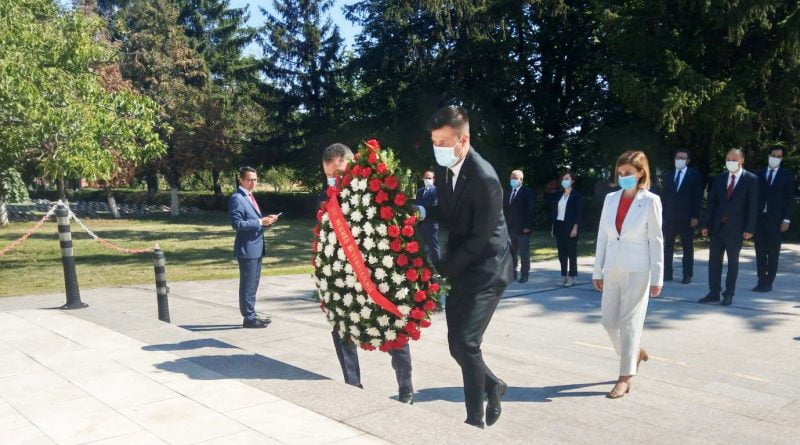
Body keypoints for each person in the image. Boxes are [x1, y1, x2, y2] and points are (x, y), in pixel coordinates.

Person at [417, 106, 513, 428]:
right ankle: (493, 385)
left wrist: (442, 270)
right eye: (435, 142)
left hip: (488, 268)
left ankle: (474, 420)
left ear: (464, 140)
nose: (439, 148)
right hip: (463, 262)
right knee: (456, 345)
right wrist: (421, 213)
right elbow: (450, 214)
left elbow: (479, 240)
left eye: (445, 142)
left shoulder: (485, 178)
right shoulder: (446, 169)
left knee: (467, 344)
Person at [319, 143, 415, 404]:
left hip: (378, 275)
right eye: (329, 175)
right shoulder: (328, 199)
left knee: (394, 329)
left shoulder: (375, 190)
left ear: (352, 165)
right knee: (341, 326)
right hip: (344, 276)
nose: (333, 180)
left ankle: (406, 390)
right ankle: (352, 384)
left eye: (338, 174)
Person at [592, 151, 663, 399]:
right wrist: (597, 269)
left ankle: (625, 377)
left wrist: (657, 277)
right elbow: (603, 235)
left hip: (638, 269)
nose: (623, 177)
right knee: (609, 322)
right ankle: (634, 354)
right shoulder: (611, 199)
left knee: (630, 323)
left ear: (641, 173)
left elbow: (656, 240)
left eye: (629, 173)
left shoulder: (650, 201)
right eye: (620, 173)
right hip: (612, 267)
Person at [700, 149, 759, 306]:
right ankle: (714, 292)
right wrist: (705, 224)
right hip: (717, 227)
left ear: (742, 161)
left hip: (736, 228)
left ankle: (729, 293)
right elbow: (711, 202)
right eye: (728, 159)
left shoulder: (751, 179)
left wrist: (750, 228)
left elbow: (753, 206)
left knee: (733, 262)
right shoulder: (720, 178)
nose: (730, 162)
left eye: (734, 159)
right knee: (714, 261)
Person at [229, 167, 280, 329]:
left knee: (253, 284)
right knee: (248, 284)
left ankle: (252, 314)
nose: (253, 183)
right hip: (247, 249)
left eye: (255, 179)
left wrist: (266, 221)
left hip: (256, 247)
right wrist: (259, 222)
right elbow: (237, 224)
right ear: (241, 180)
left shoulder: (249, 196)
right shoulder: (237, 198)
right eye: (250, 179)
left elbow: (253, 220)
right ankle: (249, 318)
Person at [753, 147, 795, 292]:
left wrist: (787, 219)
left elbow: (789, 199)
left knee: (773, 253)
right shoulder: (758, 174)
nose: (775, 158)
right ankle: (761, 280)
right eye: (773, 155)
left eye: (778, 156)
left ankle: (769, 281)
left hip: (776, 220)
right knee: (760, 252)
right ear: (768, 156)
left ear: (782, 159)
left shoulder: (787, 175)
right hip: (759, 219)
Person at [660, 149, 703, 284]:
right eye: (678, 158)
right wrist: (662, 215)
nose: (679, 160)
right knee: (668, 246)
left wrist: (695, 216)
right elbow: (664, 197)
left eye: (683, 158)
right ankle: (667, 273)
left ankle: (687, 274)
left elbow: (697, 197)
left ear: (687, 161)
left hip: (687, 218)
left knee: (687, 247)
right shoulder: (668, 176)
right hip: (670, 217)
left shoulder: (694, 176)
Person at [503, 170, 535, 283]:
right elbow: (504, 209)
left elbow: (530, 210)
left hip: (523, 229)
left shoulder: (527, 192)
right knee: (511, 253)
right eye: (512, 177)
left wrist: (527, 226)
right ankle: (513, 273)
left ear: (521, 180)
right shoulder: (507, 192)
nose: (513, 180)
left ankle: (525, 274)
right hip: (510, 228)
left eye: (515, 178)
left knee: (524, 253)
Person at [552, 171, 582, 286]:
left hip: (570, 226)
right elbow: (555, 211)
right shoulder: (559, 194)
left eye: (567, 178)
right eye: (563, 179)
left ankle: (572, 276)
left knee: (571, 253)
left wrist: (575, 228)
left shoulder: (576, 195)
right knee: (562, 253)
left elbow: (578, 213)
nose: (565, 181)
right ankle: (563, 276)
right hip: (559, 225)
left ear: (572, 181)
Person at [415, 170, 440, 264]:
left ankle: (438, 268)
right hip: (421, 224)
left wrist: (422, 211)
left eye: (429, 178)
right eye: (425, 178)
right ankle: (424, 267)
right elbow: (417, 206)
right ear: (423, 179)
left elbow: (435, 207)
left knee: (434, 248)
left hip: (431, 224)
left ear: (433, 179)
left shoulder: (437, 191)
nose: (427, 180)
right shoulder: (419, 192)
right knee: (422, 248)